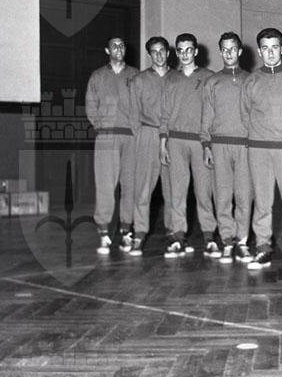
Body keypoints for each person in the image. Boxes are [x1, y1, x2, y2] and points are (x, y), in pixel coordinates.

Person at [241, 27, 282, 270]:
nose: (270, 53)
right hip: (259, 149)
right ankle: (263, 247)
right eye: (265, 48)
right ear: (259, 51)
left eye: (274, 47)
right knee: (262, 202)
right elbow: (245, 114)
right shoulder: (251, 80)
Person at [159, 33, 217, 256]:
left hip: (200, 142)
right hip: (176, 141)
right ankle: (178, 237)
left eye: (188, 50)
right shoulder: (170, 79)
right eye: (180, 50)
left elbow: (213, 112)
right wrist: (163, 144)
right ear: (176, 52)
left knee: (204, 192)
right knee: (177, 192)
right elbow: (164, 114)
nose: (184, 54)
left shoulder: (209, 78)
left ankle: (209, 237)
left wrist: (208, 143)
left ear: (196, 51)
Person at [200, 32, 252, 263]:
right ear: (220, 51)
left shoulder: (251, 80)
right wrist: (206, 144)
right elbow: (207, 115)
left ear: (240, 51)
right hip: (219, 145)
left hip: (245, 146)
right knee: (222, 196)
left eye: (233, 48)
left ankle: (242, 240)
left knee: (244, 195)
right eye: (225, 49)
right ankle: (227, 240)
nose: (229, 53)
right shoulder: (212, 82)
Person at [85, 36, 139, 255]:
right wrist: (102, 125)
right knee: (105, 185)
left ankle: (127, 231)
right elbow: (90, 105)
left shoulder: (135, 75)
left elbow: (143, 104)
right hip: (107, 138)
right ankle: (104, 233)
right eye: (114, 46)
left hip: (131, 138)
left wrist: (137, 128)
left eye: (122, 45)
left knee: (130, 185)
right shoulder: (97, 76)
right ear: (107, 50)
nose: (119, 48)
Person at [128, 36, 173, 257]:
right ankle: (139, 234)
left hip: (173, 137)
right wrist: (142, 138)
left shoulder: (177, 78)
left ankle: (175, 235)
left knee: (173, 188)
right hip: (147, 135)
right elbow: (133, 115)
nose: (159, 55)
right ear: (149, 55)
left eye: (162, 50)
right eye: (154, 51)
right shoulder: (139, 80)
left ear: (168, 52)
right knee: (143, 188)